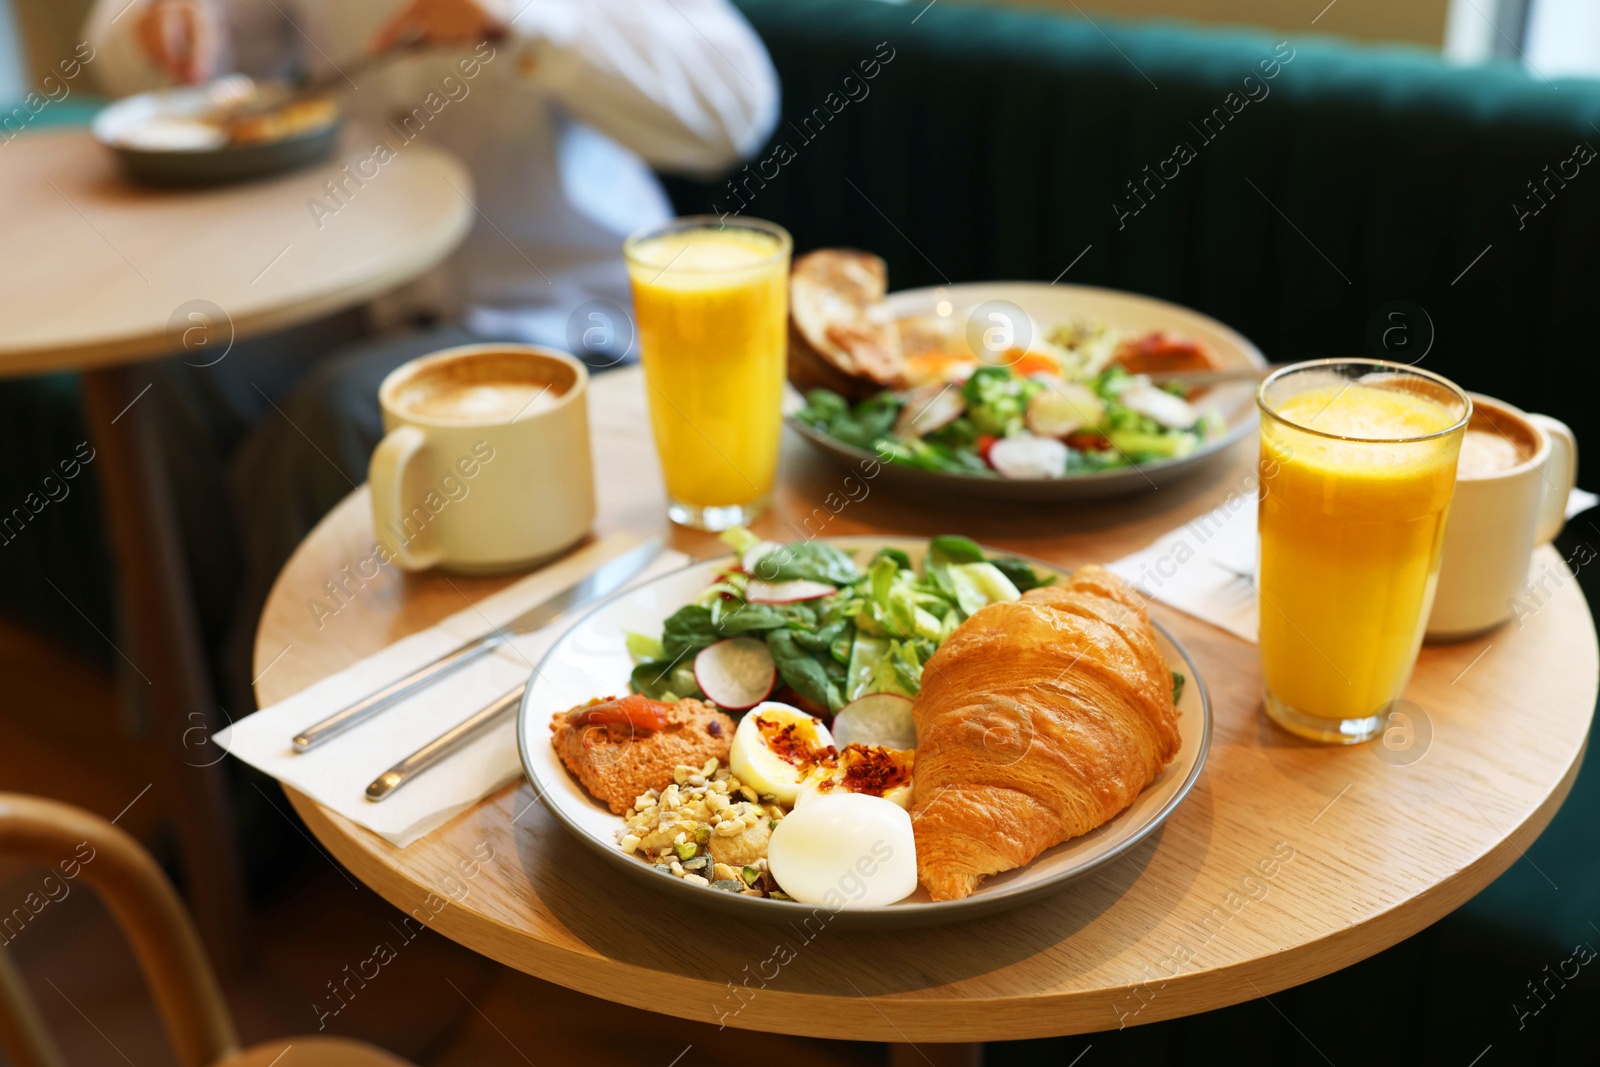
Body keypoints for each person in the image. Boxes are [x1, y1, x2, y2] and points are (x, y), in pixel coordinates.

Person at [84, 0, 779, 711]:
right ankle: (182, 759)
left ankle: (267, 781)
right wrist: (163, 20)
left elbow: (737, 107)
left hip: (562, 307)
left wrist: (520, 18)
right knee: (171, 377)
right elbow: (168, 69)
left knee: (341, 415)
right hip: (365, 284)